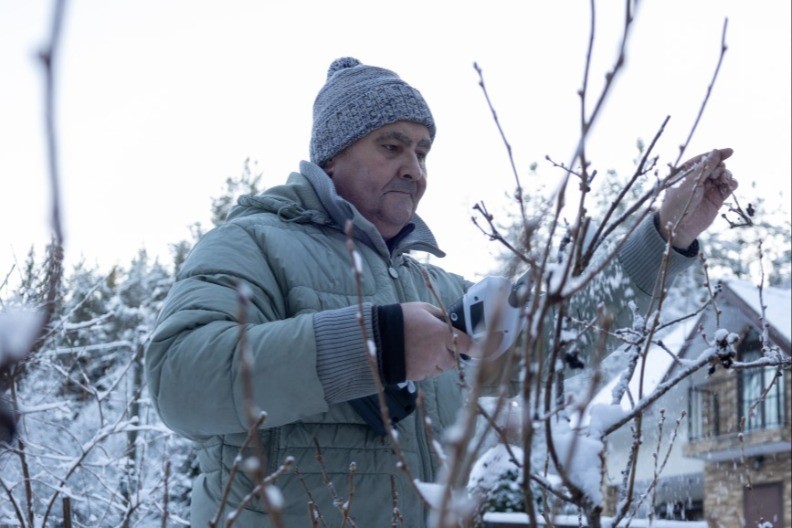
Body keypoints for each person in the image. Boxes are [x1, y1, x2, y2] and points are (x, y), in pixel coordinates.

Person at [145, 57, 738, 527]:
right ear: (331, 155)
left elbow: (554, 339)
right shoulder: (252, 244)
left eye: (422, 151)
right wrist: (376, 345)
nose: (415, 167)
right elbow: (179, 380)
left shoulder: (431, 285)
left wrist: (666, 235)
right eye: (392, 146)